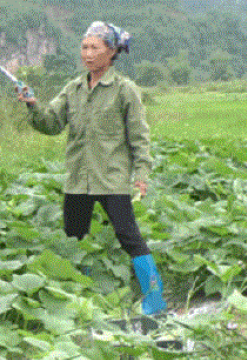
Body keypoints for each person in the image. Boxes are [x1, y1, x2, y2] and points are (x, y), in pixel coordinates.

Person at [15, 21, 166, 315]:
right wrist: (33, 105)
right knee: (75, 239)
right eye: (84, 47)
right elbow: (51, 124)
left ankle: (155, 299)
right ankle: (84, 303)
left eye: (94, 48)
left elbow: (139, 137)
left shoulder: (125, 90)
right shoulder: (73, 89)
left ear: (111, 52)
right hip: (77, 180)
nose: (88, 53)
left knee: (129, 237)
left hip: (111, 179)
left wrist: (142, 175)